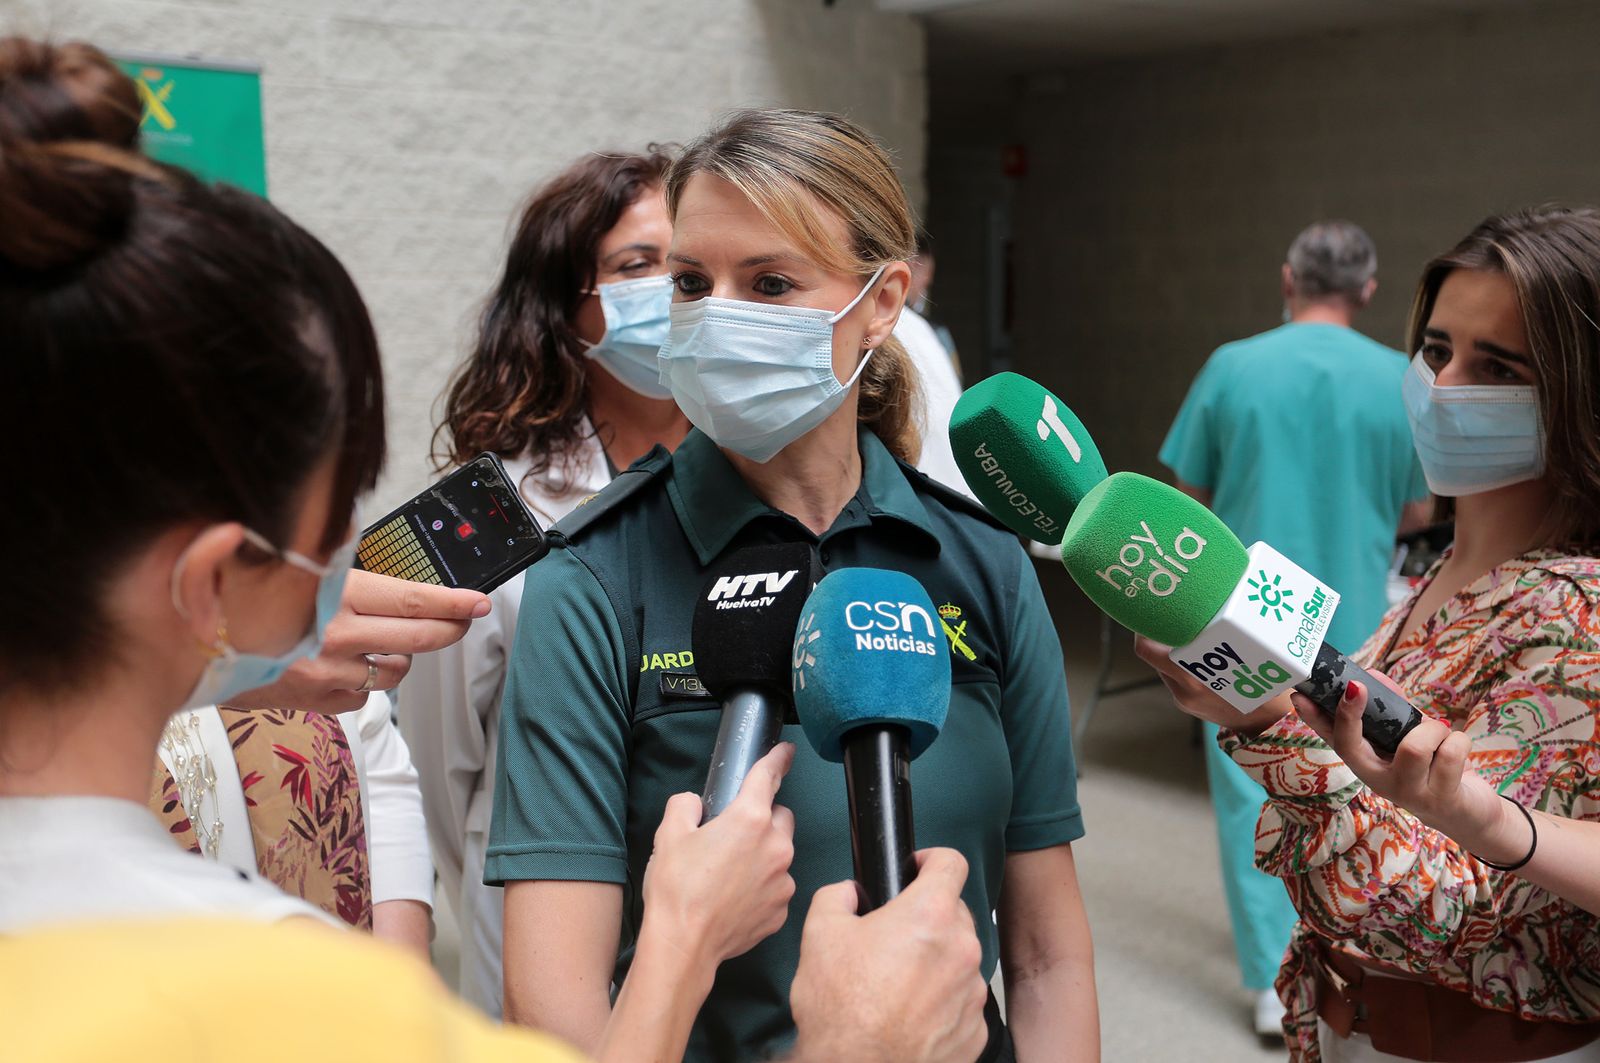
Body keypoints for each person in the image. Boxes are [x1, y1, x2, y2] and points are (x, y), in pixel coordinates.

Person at [489, 108, 1098, 1063]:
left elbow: (1045, 956)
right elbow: (554, 1012)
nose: (716, 313)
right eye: (693, 282)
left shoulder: (984, 563)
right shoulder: (590, 578)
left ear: (884, 298)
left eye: (769, 282)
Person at [404, 143, 972, 1013]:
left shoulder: (786, 464)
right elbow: (443, 765)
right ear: (568, 306)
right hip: (549, 931)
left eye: (764, 280)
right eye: (665, 273)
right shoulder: (494, 509)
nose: (718, 308)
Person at [1137, 206, 1600, 1062]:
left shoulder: (1570, 610)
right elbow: (1413, 508)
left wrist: (1260, 721)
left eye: (1494, 369)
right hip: (1360, 1011)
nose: (1443, 388)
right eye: (1434, 351)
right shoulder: (1442, 579)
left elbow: (1461, 900)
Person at [1158, 219, 1432, 1037]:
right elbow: (1419, 509)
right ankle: (1350, 949)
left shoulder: (1232, 367)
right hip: (1362, 622)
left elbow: (1189, 504)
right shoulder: (1401, 380)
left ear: (1288, 279)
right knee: (1360, 791)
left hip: (1243, 622)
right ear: (1370, 291)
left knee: (1253, 784)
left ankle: (1271, 981)